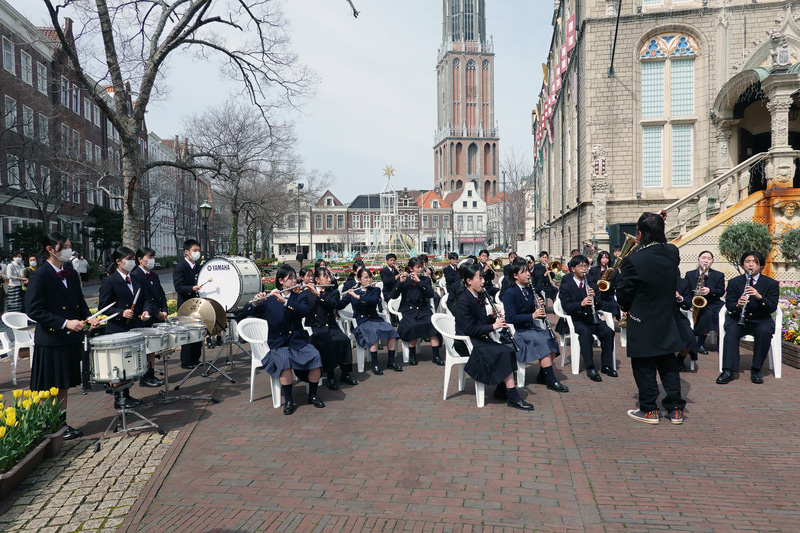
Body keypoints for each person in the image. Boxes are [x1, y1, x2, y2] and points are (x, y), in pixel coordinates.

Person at [26, 232, 100, 440]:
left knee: (63, 384)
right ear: (50, 249)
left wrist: (88, 317)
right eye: (64, 247)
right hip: (51, 340)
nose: (69, 250)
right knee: (50, 386)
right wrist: (65, 322)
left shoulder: (69, 271)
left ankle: (60, 423)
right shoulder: (39, 275)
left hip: (69, 338)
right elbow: (34, 310)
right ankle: (49, 425)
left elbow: (79, 300)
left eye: (69, 245)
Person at [616, 212, 686, 425]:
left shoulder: (633, 260)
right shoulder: (672, 252)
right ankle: (675, 409)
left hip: (642, 319)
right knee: (668, 363)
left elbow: (624, 294)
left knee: (644, 365)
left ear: (639, 234)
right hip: (667, 317)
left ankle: (649, 409)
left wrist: (625, 306)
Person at [240, 265, 325, 414]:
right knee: (284, 361)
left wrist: (284, 302)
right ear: (281, 281)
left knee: (315, 356)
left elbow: (304, 311)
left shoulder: (300, 297)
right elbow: (244, 312)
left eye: (295, 278)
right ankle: (289, 400)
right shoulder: (269, 300)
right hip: (279, 343)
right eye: (290, 278)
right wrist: (255, 302)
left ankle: (312, 394)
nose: (294, 281)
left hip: (298, 341)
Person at [453, 262, 534, 411]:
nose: (484, 282)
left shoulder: (477, 296)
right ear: (469, 281)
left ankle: (501, 390)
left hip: (478, 339)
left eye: (483, 278)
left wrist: (491, 318)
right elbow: (469, 329)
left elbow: (478, 322)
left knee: (508, 350)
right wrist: (493, 326)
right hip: (466, 343)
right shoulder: (463, 301)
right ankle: (513, 395)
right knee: (503, 352)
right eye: (480, 278)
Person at [98, 246, 159, 408]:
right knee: (120, 366)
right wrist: (121, 312)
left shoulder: (137, 279)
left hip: (135, 328)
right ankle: (120, 399)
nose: (132, 262)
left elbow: (146, 299)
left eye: (133, 259)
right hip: (118, 329)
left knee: (131, 364)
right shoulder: (109, 281)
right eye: (129, 259)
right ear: (118, 261)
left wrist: (146, 310)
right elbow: (103, 307)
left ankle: (127, 395)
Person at [716, 250, 780, 385]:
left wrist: (759, 297)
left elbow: (772, 307)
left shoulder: (771, 284)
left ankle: (756, 369)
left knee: (764, 331)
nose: (751, 265)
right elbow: (729, 305)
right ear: (743, 264)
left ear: (761, 265)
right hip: (738, 318)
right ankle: (728, 370)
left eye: (755, 262)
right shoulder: (734, 282)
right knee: (731, 332)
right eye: (747, 261)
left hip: (761, 319)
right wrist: (738, 305)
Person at [502, 260, 566, 392]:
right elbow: (511, 317)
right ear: (515, 276)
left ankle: (543, 374)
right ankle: (550, 379)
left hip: (529, 327)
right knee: (542, 340)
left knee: (551, 338)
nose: (528, 274)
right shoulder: (510, 292)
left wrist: (536, 305)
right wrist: (533, 315)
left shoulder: (528, 289)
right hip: (518, 331)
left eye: (527, 271)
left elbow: (528, 309)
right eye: (524, 272)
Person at [557, 254, 616, 382]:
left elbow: (600, 304)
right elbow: (566, 306)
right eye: (581, 266)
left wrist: (595, 299)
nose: (584, 269)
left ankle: (606, 365)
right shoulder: (566, 286)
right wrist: (581, 304)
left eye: (586, 266)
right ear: (573, 269)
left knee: (608, 332)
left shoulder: (592, 284)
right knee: (585, 333)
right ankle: (590, 367)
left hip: (592, 318)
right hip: (576, 319)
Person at [305, 266, 356, 390]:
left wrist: (318, 294)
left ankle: (345, 373)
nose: (329, 279)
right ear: (317, 279)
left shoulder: (333, 292)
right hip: (317, 327)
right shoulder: (306, 293)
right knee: (328, 343)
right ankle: (331, 375)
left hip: (332, 325)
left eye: (330, 276)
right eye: (326, 277)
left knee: (343, 340)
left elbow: (333, 305)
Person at [342, 267, 400, 375]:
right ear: (359, 280)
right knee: (373, 333)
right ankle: (375, 363)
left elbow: (373, 301)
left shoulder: (375, 290)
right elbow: (340, 305)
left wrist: (357, 297)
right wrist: (335, 297)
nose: (369, 280)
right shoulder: (353, 291)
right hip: (362, 322)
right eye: (366, 278)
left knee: (392, 331)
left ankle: (391, 361)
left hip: (375, 319)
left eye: (370, 277)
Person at [389, 257, 443, 366]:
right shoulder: (404, 279)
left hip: (423, 310)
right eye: (418, 267)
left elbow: (430, 294)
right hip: (408, 311)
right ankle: (412, 356)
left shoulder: (425, 279)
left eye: (421, 267)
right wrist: (400, 282)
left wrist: (419, 282)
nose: (420, 269)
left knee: (433, 325)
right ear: (410, 268)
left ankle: (436, 356)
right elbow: (393, 296)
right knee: (412, 326)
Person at [130, 247, 169, 388]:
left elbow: (161, 294)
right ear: (140, 259)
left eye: (153, 257)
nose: (152, 260)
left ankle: (151, 374)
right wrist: (155, 312)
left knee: (152, 348)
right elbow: (144, 299)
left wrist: (164, 310)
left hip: (157, 316)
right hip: (144, 316)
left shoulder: (154, 275)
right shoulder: (135, 275)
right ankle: (146, 376)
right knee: (146, 348)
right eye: (149, 257)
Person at [684, 251, 725, 355]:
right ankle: (700, 343)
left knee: (720, 314)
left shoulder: (718, 275)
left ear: (712, 261)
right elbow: (686, 290)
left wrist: (710, 291)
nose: (706, 260)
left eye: (709, 258)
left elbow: (721, 291)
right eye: (703, 258)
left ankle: (720, 342)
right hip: (697, 303)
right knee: (707, 314)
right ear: (698, 260)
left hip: (713, 302)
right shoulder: (690, 274)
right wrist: (689, 303)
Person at [173, 239, 203, 369]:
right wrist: (192, 288)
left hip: (198, 305)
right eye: (194, 250)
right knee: (187, 333)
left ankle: (196, 359)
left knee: (199, 332)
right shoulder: (180, 267)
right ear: (186, 252)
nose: (197, 253)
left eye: (198, 250)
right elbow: (179, 287)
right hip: (186, 305)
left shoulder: (199, 267)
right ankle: (186, 361)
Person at [674, 272, 698, 371]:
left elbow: (688, 304)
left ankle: (680, 359)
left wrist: (680, 298)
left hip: (675, 314)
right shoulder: (655, 280)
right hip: (657, 315)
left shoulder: (683, 283)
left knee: (689, 337)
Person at [587, 251, 620, 318]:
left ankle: (608, 319)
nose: (605, 260)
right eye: (603, 258)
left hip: (608, 295)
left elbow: (618, 283)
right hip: (596, 295)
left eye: (607, 258)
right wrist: (596, 283)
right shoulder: (593, 270)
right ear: (599, 259)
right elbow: (589, 281)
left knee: (612, 305)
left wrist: (611, 284)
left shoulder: (613, 270)